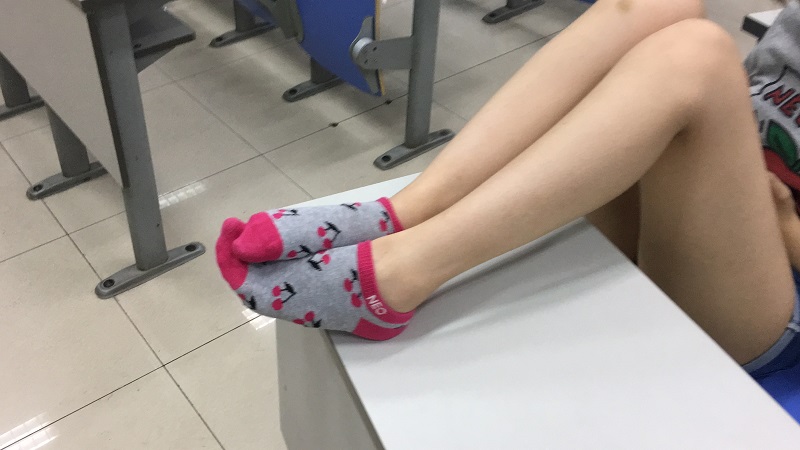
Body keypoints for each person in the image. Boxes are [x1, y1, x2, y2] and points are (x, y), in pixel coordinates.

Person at [217, 0, 800, 396]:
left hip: (769, 294)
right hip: (707, 188)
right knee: (661, 5)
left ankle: (402, 271)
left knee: (697, 56)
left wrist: (779, 218)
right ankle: (409, 211)